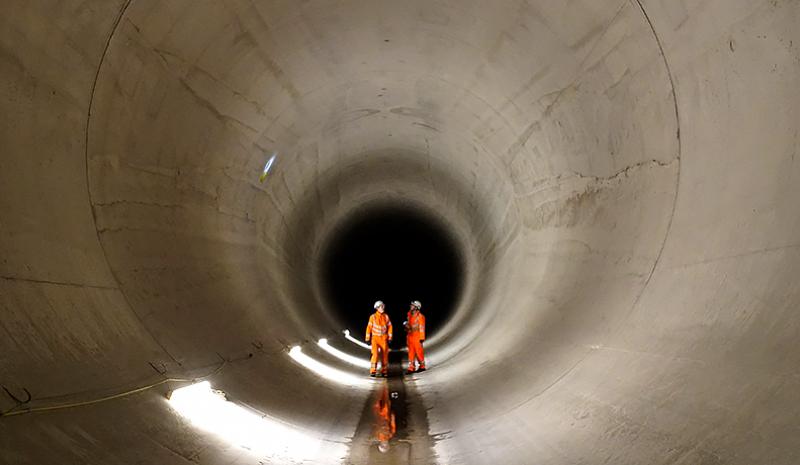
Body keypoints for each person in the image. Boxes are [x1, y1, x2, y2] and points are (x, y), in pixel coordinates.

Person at [365, 300, 392, 377]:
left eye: (383, 306)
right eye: (381, 306)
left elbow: (390, 326)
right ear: (377, 308)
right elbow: (369, 327)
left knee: (384, 355)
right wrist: (367, 338)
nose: (383, 308)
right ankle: (373, 371)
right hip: (375, 339)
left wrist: (390, 337)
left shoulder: (386, 317)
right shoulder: (372, 317)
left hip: (383, 339)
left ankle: (384, 371)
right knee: (375, 354)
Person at [404, 300, 426, 373]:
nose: (411, 306)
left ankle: (422, 366)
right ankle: (411, 368)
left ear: (416, 308)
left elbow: (422, 327)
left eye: (413, 305)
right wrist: (406, 326)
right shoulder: (409, 315)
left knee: (419, 351)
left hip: (417, 336)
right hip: (410, 336)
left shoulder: (420, 317)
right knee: (411, 352)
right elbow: (409, 325)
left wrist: (422, 338)